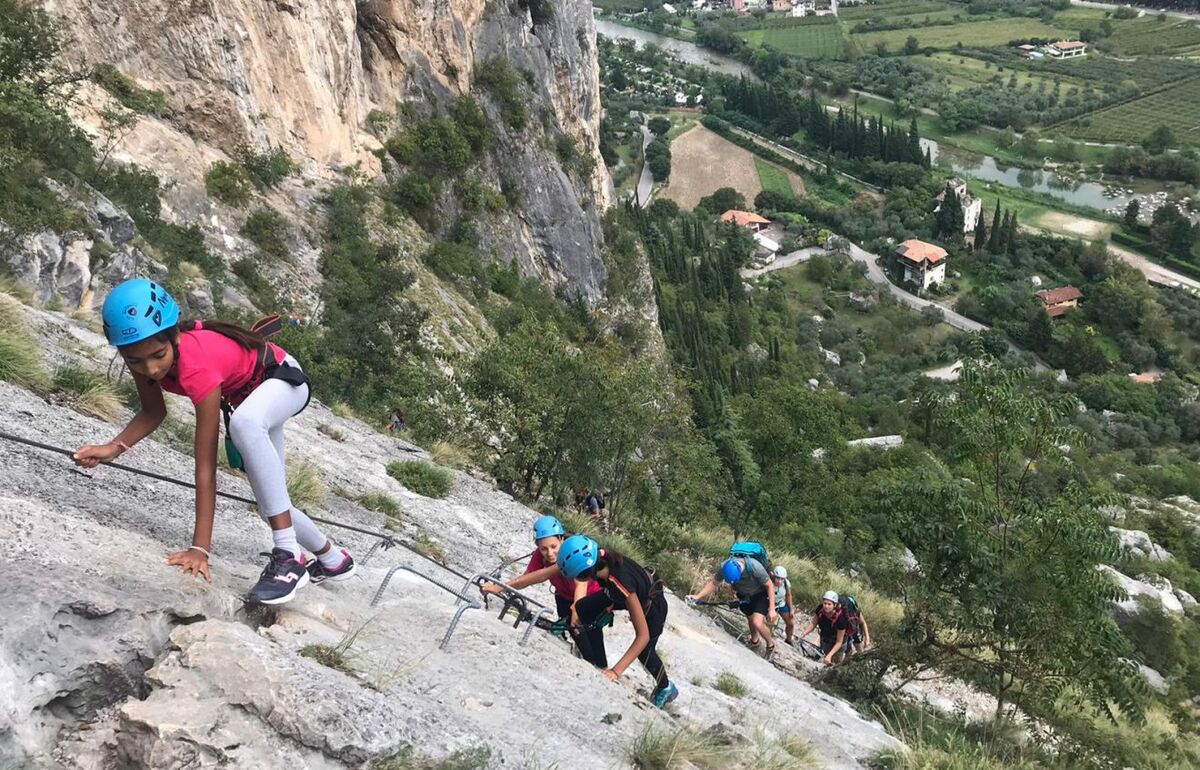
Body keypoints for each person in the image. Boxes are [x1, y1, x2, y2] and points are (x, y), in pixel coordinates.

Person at [73, 279, 355, 605]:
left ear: (174, 337)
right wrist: (114, 447)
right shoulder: (145, 352)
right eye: (136, 361)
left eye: (158, 355)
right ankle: (334, 560)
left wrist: (199, 549)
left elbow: (205, 466)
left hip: (284, 380)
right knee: (272, 506)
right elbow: (152, 412)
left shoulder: (195, 367)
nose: (151, 368)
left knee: (246, 425)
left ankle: (289, 555)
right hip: (254, 398)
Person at [553, 535, 679, 708]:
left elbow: (642, 636)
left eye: (577, 577)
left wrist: (615, 672)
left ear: (585, 573)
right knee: (583, 608)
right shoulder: (600, 557)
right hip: (617, 592)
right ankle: (598, 662)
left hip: (651, 607)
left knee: (645, 651)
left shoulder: (621, 584)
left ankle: (666, 688)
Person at [480, 515, 607, 668]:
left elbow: (580, 584)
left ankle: (599, 666)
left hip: (591, 597)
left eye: (553, 547)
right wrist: (497, 587)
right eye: (544, 549)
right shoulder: (539, 557)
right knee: (575, 631)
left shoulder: (573, 551)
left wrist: (576, 609)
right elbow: (527, 579)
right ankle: (589, 661)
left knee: (587, 629)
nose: (550, 553)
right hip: (564, 596)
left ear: (561, 539)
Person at [687, 554, 778, 654]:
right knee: (751, 619)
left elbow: (769, 585)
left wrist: (772, 609)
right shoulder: (724, 567)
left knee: (757, 622)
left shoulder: (755, 567)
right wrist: (698, 596)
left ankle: (770, 645)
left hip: (760, 594)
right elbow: (714, 583)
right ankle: (755, 641)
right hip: (743, 595)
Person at [796, 590, 850, 666]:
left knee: (835, 664)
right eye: (825, 603)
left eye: (829, 604)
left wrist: (830, 655)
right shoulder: (820, 610)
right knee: (825, 659)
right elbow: (813, 624)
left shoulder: (841, 619)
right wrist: (803, 634)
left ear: (835, 605)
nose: (826, 606)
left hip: (838, 643)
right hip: (826, 638)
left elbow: (839, 642)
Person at [771, 566, 796, 646]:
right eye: (778, 578)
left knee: (791, 623)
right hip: (769, 604)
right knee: (771, 621)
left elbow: (788, 596)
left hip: (780, 603)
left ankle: (788, 639)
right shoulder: (768, 582)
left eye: (782, 579)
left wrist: (791, 609)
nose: (779, 581)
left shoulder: (786, 583)